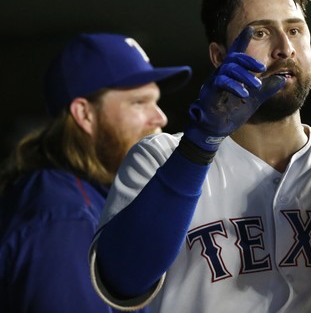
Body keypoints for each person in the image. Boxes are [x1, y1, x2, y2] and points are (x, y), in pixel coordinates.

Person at [89, 0, 311, 312]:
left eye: (295, 29)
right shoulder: (160, 157)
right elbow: (124, 277)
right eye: (261, 32)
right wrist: (199, 146)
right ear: (219, 55)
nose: (285, 48)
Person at [0, 32, 191, 312]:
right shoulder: (66, 216)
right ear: (85, 115)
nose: (160, 117)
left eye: (156, 101)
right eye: (139, 102)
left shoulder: (89, 196)